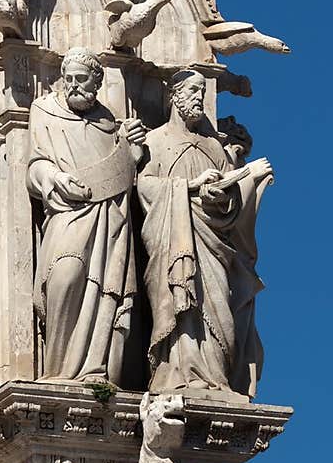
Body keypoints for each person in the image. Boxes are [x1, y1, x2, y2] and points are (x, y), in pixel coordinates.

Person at [137, 69, 274, 398]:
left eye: (202, 91)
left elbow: (233, 202)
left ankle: (215, 378)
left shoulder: (215, 146)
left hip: (213, 244)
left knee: (218, 312)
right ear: (175, 96)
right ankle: (177, 374)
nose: (198, 98)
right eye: (192, 91)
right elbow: (144, 186)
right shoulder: (155, 142)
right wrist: (190, 187)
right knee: (180, 302)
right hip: (174, 239)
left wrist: (231, 189)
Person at [27, 47, 145, 382]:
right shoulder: (45, 110)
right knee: (65, 275)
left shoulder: (110, 124)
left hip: (109, 219)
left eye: (81, 79)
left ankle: (95, 368)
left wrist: (131, 151)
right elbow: (35, 163)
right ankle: (59, 369)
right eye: (68, 79)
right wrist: (55, 178)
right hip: (65, 211)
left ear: (97, 81)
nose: (74, 85)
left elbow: (124, 175)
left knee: (105, 289)